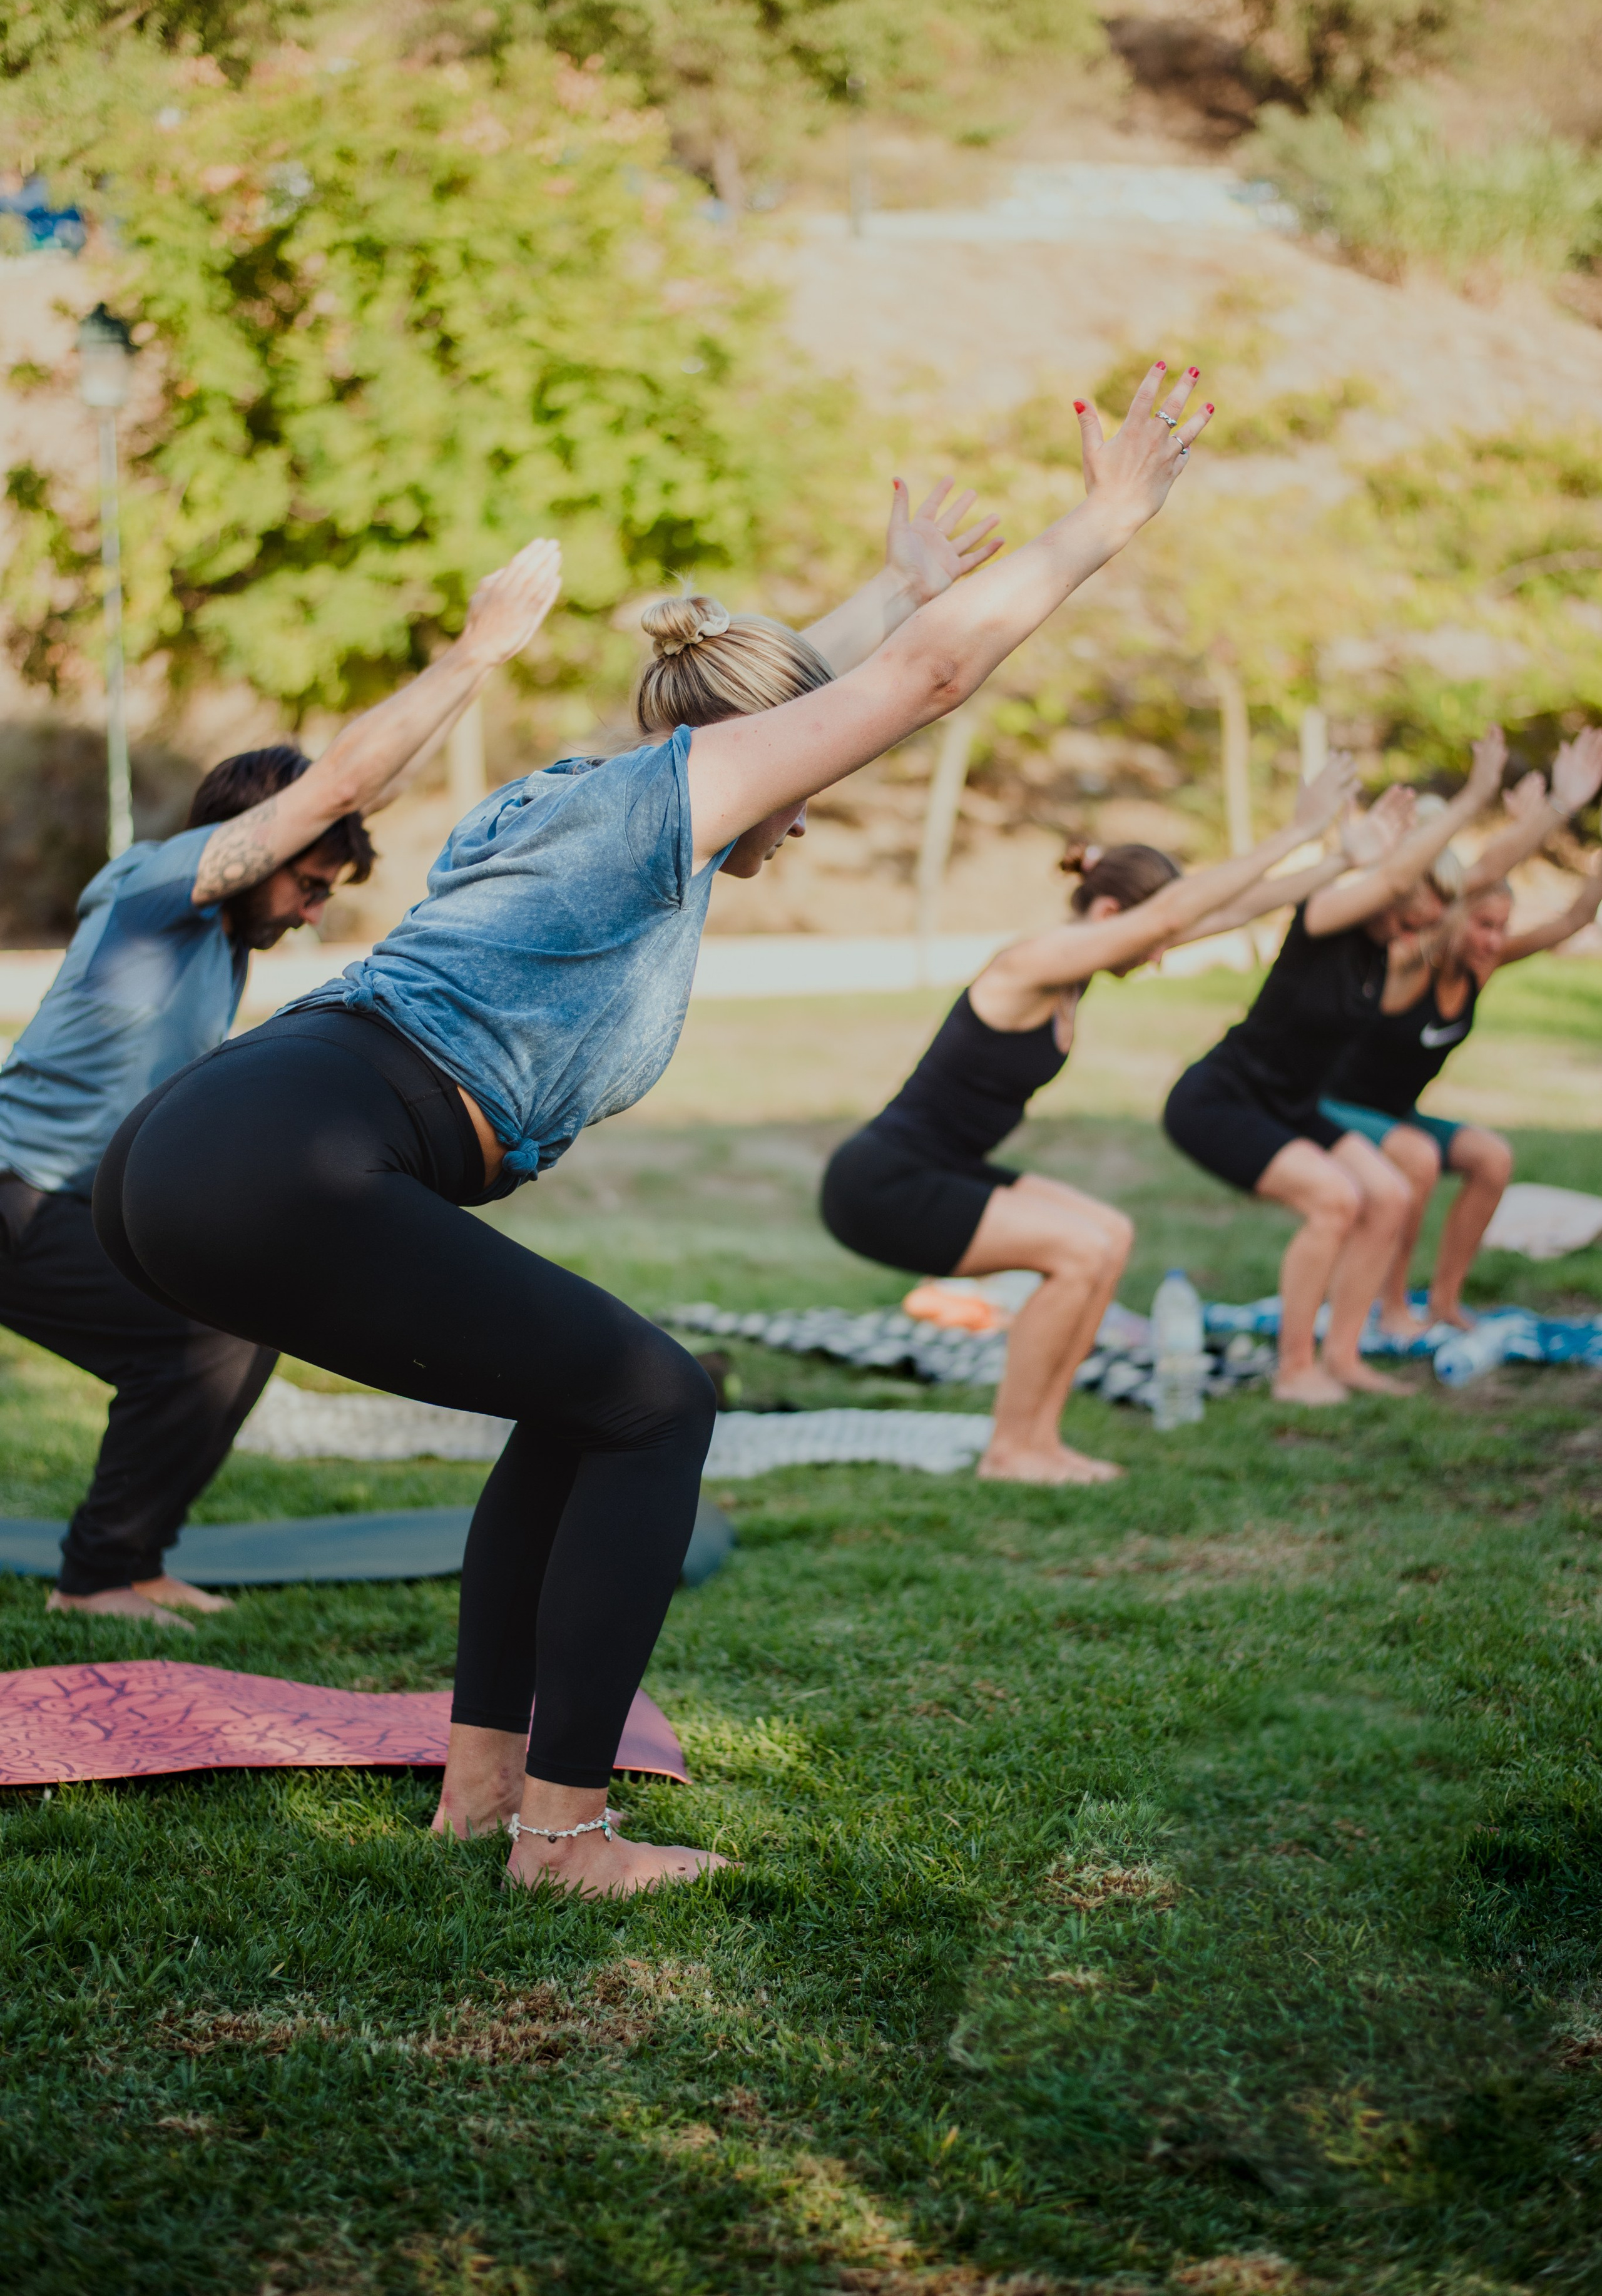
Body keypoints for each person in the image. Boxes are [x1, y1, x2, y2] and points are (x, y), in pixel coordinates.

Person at [94, 366, 1213, 1898]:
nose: (816, 799)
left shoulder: (575, 796)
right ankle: (565, 1836)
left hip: (209, 1146)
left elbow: (790, 689)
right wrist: (1098, 522)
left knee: (579, 1401)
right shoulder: (655, 809)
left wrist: (884, 586)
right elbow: (915, 685)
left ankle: (483, 1792)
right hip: (284, 1149)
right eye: (806, 767)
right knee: (656, 1400)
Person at [1, 536, 563, 1625]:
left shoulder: (221, 927)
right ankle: (105, 1571)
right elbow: (341, 781)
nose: (313, 911)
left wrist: (455, 692)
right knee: (200, 1334)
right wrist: (476, 652)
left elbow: (367, 789)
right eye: (308, 883)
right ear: (255, 848)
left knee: (225, 1322)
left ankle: (123, 1561)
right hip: (15, 1191)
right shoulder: (164, 890)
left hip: (60, 1196)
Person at [818, 758, 1359, 1484]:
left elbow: (1217, 911)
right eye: (1150, 939)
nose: (1162, 957)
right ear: (1110, 917)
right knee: (1075, 1252)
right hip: (882, 1182)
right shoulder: (1032, 961)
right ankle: (1010, 1450)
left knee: (1110, 1235)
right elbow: (1169, 917)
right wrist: (1298, 828)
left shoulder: (1080, 968)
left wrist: (1338, 863)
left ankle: (1040, 1440)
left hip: (942, 1165)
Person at [1162, 728, 1511, 1406]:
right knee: (1335, 1199)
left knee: (1386, 1192)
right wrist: (1473, 794)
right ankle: (1295, 1371)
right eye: (1417, 911)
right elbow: (1391, 877)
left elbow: (1456, 878)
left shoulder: (1388, 950)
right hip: (1222, 1098)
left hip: (1290, 1105)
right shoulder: (1323, 918)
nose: (1425, 929)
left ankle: (1343, 1355)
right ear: (1393, 895)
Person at [1322, 808, 1602, 1337]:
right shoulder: (1410, 964)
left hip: (1396, 1115)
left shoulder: (1483, 967)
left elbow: (1570, 922)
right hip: (1331, 1105)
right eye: (1483, 925)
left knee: (1492, 1158)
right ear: (1452, 917)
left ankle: (1445, 1301)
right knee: (1418, 1157)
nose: (1494, 940)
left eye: (1502, 928)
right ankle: (1392, 1304)